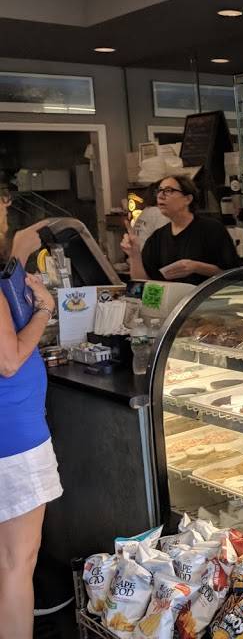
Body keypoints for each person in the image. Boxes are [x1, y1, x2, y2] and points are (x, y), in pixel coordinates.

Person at [0, 187, 63, 639]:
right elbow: (8, 360)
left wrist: (16, 260)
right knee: (17, 562)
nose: (6, 206)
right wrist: (44, 309)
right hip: (13, 436)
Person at [121, 175, 241, 286]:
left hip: (207, 300)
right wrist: (134, 255)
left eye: (168, 191)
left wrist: (196, 267)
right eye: (159, 191)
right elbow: (142, 284)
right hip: (172, 301)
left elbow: (233, 275)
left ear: (187, 199)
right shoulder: (158, 237)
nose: (160, 196)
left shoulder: (211, 229)